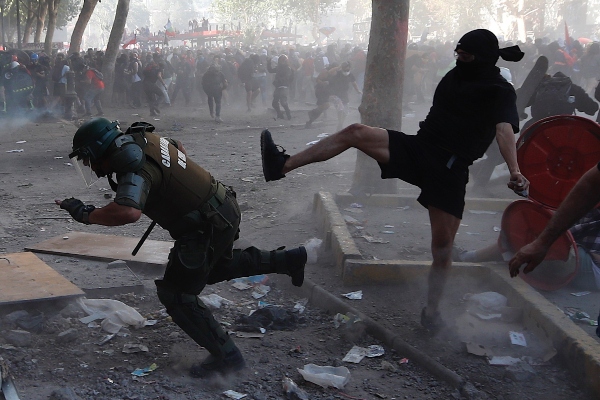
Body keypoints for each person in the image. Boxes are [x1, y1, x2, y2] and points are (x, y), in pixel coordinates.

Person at [261, 29, 529, 332]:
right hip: (421, 149)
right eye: (458, 54)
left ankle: (432, 313)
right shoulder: (454, 76)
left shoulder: (500, 90)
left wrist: (515, 170)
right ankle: (281, 166)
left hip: (450, 170)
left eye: (465, 56)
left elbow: (504, 131)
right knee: (355, 132)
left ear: (481, 58)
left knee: (442, 249)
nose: (458, 60)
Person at [56, 118, 308, 378]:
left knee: (177, 294)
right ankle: (288, 260)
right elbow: (179, 148)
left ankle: (227, 357)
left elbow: (128, 212)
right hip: (221, 207)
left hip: (205, 225)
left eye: (88, 158)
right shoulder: (143, 138)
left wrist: (86, 213)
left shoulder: (131, 163)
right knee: (212, 269)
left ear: (99, 149)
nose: (88, 165)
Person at [509, 164, 600, 336]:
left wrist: (543, 241)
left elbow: (589, 186)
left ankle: (475, 256)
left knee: (528, 240)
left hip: (595, 268)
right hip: (590, 260)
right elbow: (590, 185)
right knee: (530, 240)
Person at [266, 54, 294, 120]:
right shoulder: (279, 67)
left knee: (283, 102)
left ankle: (288, 113)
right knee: (274, 103)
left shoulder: (288, 68)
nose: (281, 62)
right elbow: (270, 70)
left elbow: (287, 77)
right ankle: (279, 114)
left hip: (284, 86)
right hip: (278, 86)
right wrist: (268, 62)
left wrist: (278, 80)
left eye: (282, 60)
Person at [201, 57, 227, 123]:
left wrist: (223, 88)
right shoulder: (208, 74)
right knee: (214, 101)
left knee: (215, 101)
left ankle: (215, 114)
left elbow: (224, 82)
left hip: (214, 89)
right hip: (212, 88)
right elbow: (203, 83)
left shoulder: (219, 74)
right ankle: (215, 114)